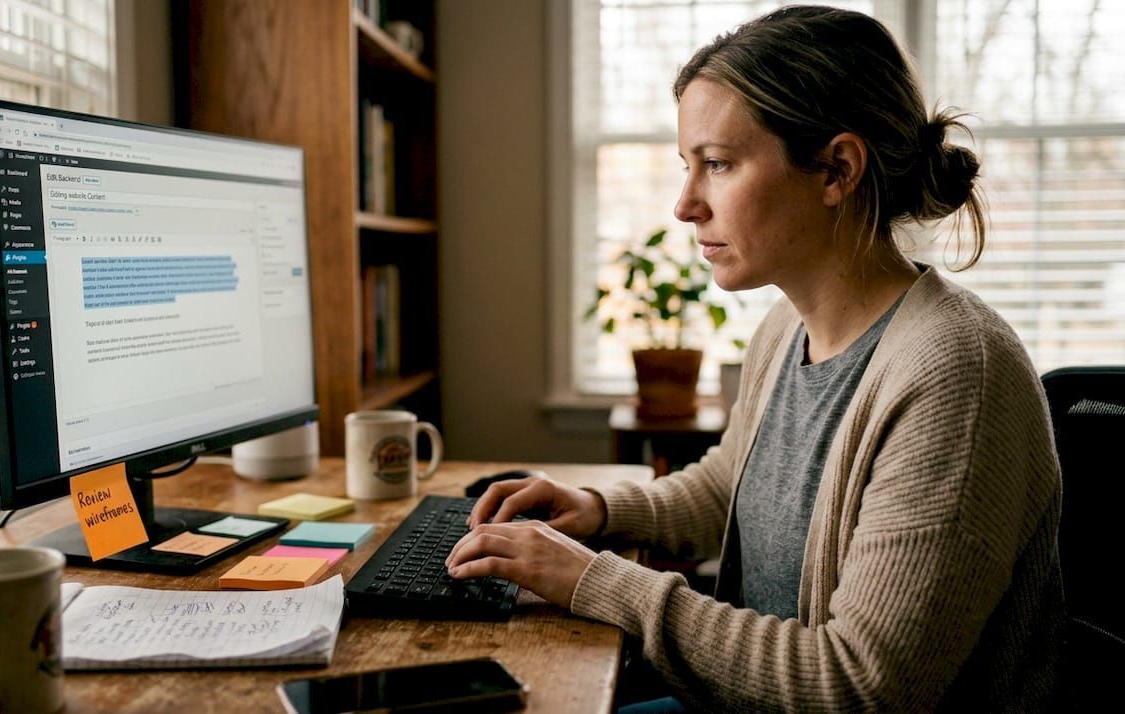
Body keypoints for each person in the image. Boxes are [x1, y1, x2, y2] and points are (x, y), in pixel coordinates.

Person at [446, 5, 1065, 711]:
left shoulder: (956, 374)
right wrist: (596, 509)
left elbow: (859, 683)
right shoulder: (786, 325)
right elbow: (727, 488)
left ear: (836, 169)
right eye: (689, 166)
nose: (684, 205)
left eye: (717, 164)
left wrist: (593, 581)